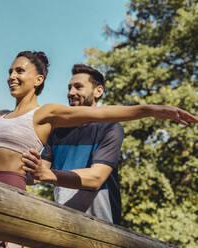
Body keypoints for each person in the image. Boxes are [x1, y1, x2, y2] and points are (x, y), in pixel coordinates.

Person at [0, 51, 197, 248]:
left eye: (19, 71)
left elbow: (105, 119)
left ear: (38, 79)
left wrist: (153, 110)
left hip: (43, 204)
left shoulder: (51, 114)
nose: (11, 76)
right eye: (10, 71)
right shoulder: (6, 116)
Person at [22, 64, 123, 224]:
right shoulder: (57, 131)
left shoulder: (111, 127)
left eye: (78, 87)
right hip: (63, 223)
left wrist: (46, 174)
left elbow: (96, 178)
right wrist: (23, 169)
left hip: (102, 228)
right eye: (69, 88)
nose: (71, 93)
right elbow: (37, 175)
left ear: (98, 91)